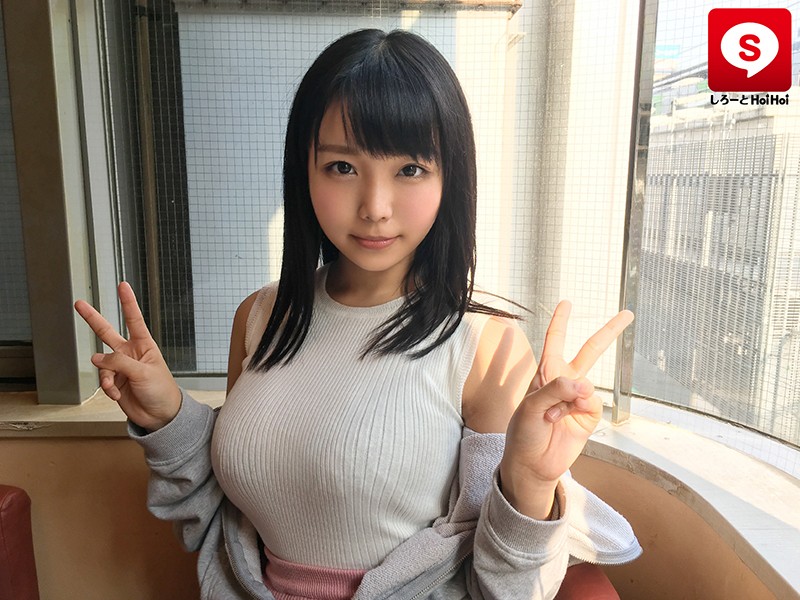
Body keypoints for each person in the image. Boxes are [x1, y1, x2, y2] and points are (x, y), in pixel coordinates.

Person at [74, 28, 641, 600]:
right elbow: (219, 518)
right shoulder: (262, 317)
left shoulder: (486, 349)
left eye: (410, 170)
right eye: (342, 167)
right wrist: (168, 418)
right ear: (304, 170)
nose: (375, 207)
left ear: (450, 177)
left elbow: (501, 588)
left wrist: (529, 481)